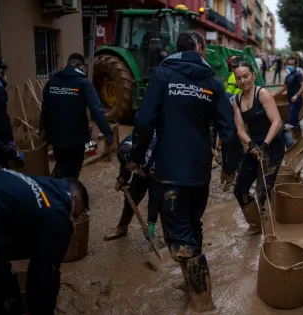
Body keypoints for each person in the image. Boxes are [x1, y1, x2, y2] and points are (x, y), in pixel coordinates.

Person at [130, 30, 236, 313]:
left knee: (178, 236)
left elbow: (143, 122)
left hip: (170, 173)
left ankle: (203, 300)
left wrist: (137, 157)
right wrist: (228, 168)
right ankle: (191, 282)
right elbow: (229, 130)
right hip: (200, 172)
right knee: (192, 225)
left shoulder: (163, 75)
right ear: (201, 48)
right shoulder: (212, 80)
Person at [0, 168, 89, 315]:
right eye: (74, 214)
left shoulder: (41, 185)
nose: (72, 217)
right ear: (74, 198)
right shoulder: (58, 215)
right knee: (3, 295)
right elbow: (43, 277)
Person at [40, 53, 113, 179]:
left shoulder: (52, 81)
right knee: (72, 172)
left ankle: (55, 191)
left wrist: (42, 130)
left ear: (67, 65)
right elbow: (96, 111)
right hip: (76, 138)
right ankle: (68, 195)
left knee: (61, 165)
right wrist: (108, 133)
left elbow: (45, 109)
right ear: (82, 67)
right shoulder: (84, 83)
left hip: (56, 137)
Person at [232, 61, 283, 236]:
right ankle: (255, 226)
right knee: (239, 189)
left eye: (246, 76)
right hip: (254, 147)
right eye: (238, 78)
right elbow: (239, 129)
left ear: (253, 75)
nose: (243, 81)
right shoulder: (236, 100)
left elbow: (277, 122)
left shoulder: (262, 94)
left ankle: (270, 235)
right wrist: (252, 145)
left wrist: (265, 145)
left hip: (272, 145)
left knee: (262, 192)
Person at [104, 129, 158, 241]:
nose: (130, 168)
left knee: (161, 201)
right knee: (132, 196)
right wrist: (122, 179)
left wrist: (150, 228)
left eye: (133, 166)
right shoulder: (125, 147)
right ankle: (122, 227)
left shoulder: (153, 154)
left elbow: (154, 198)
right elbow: (126, 165)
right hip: (142, 165)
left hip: (158, 169)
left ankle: (167, 235)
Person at [273, 57, 303, 138]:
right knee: (294, 118)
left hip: (296, 100)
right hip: (291, 100)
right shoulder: (288, 76)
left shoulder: (297, 74)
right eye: (289, 64)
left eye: (292, 64)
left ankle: (294, 136)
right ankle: (298, 135)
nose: (290, 66)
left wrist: (297, 95)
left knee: (292, 118)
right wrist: (274, 95)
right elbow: (284, 87)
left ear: (295, 65)